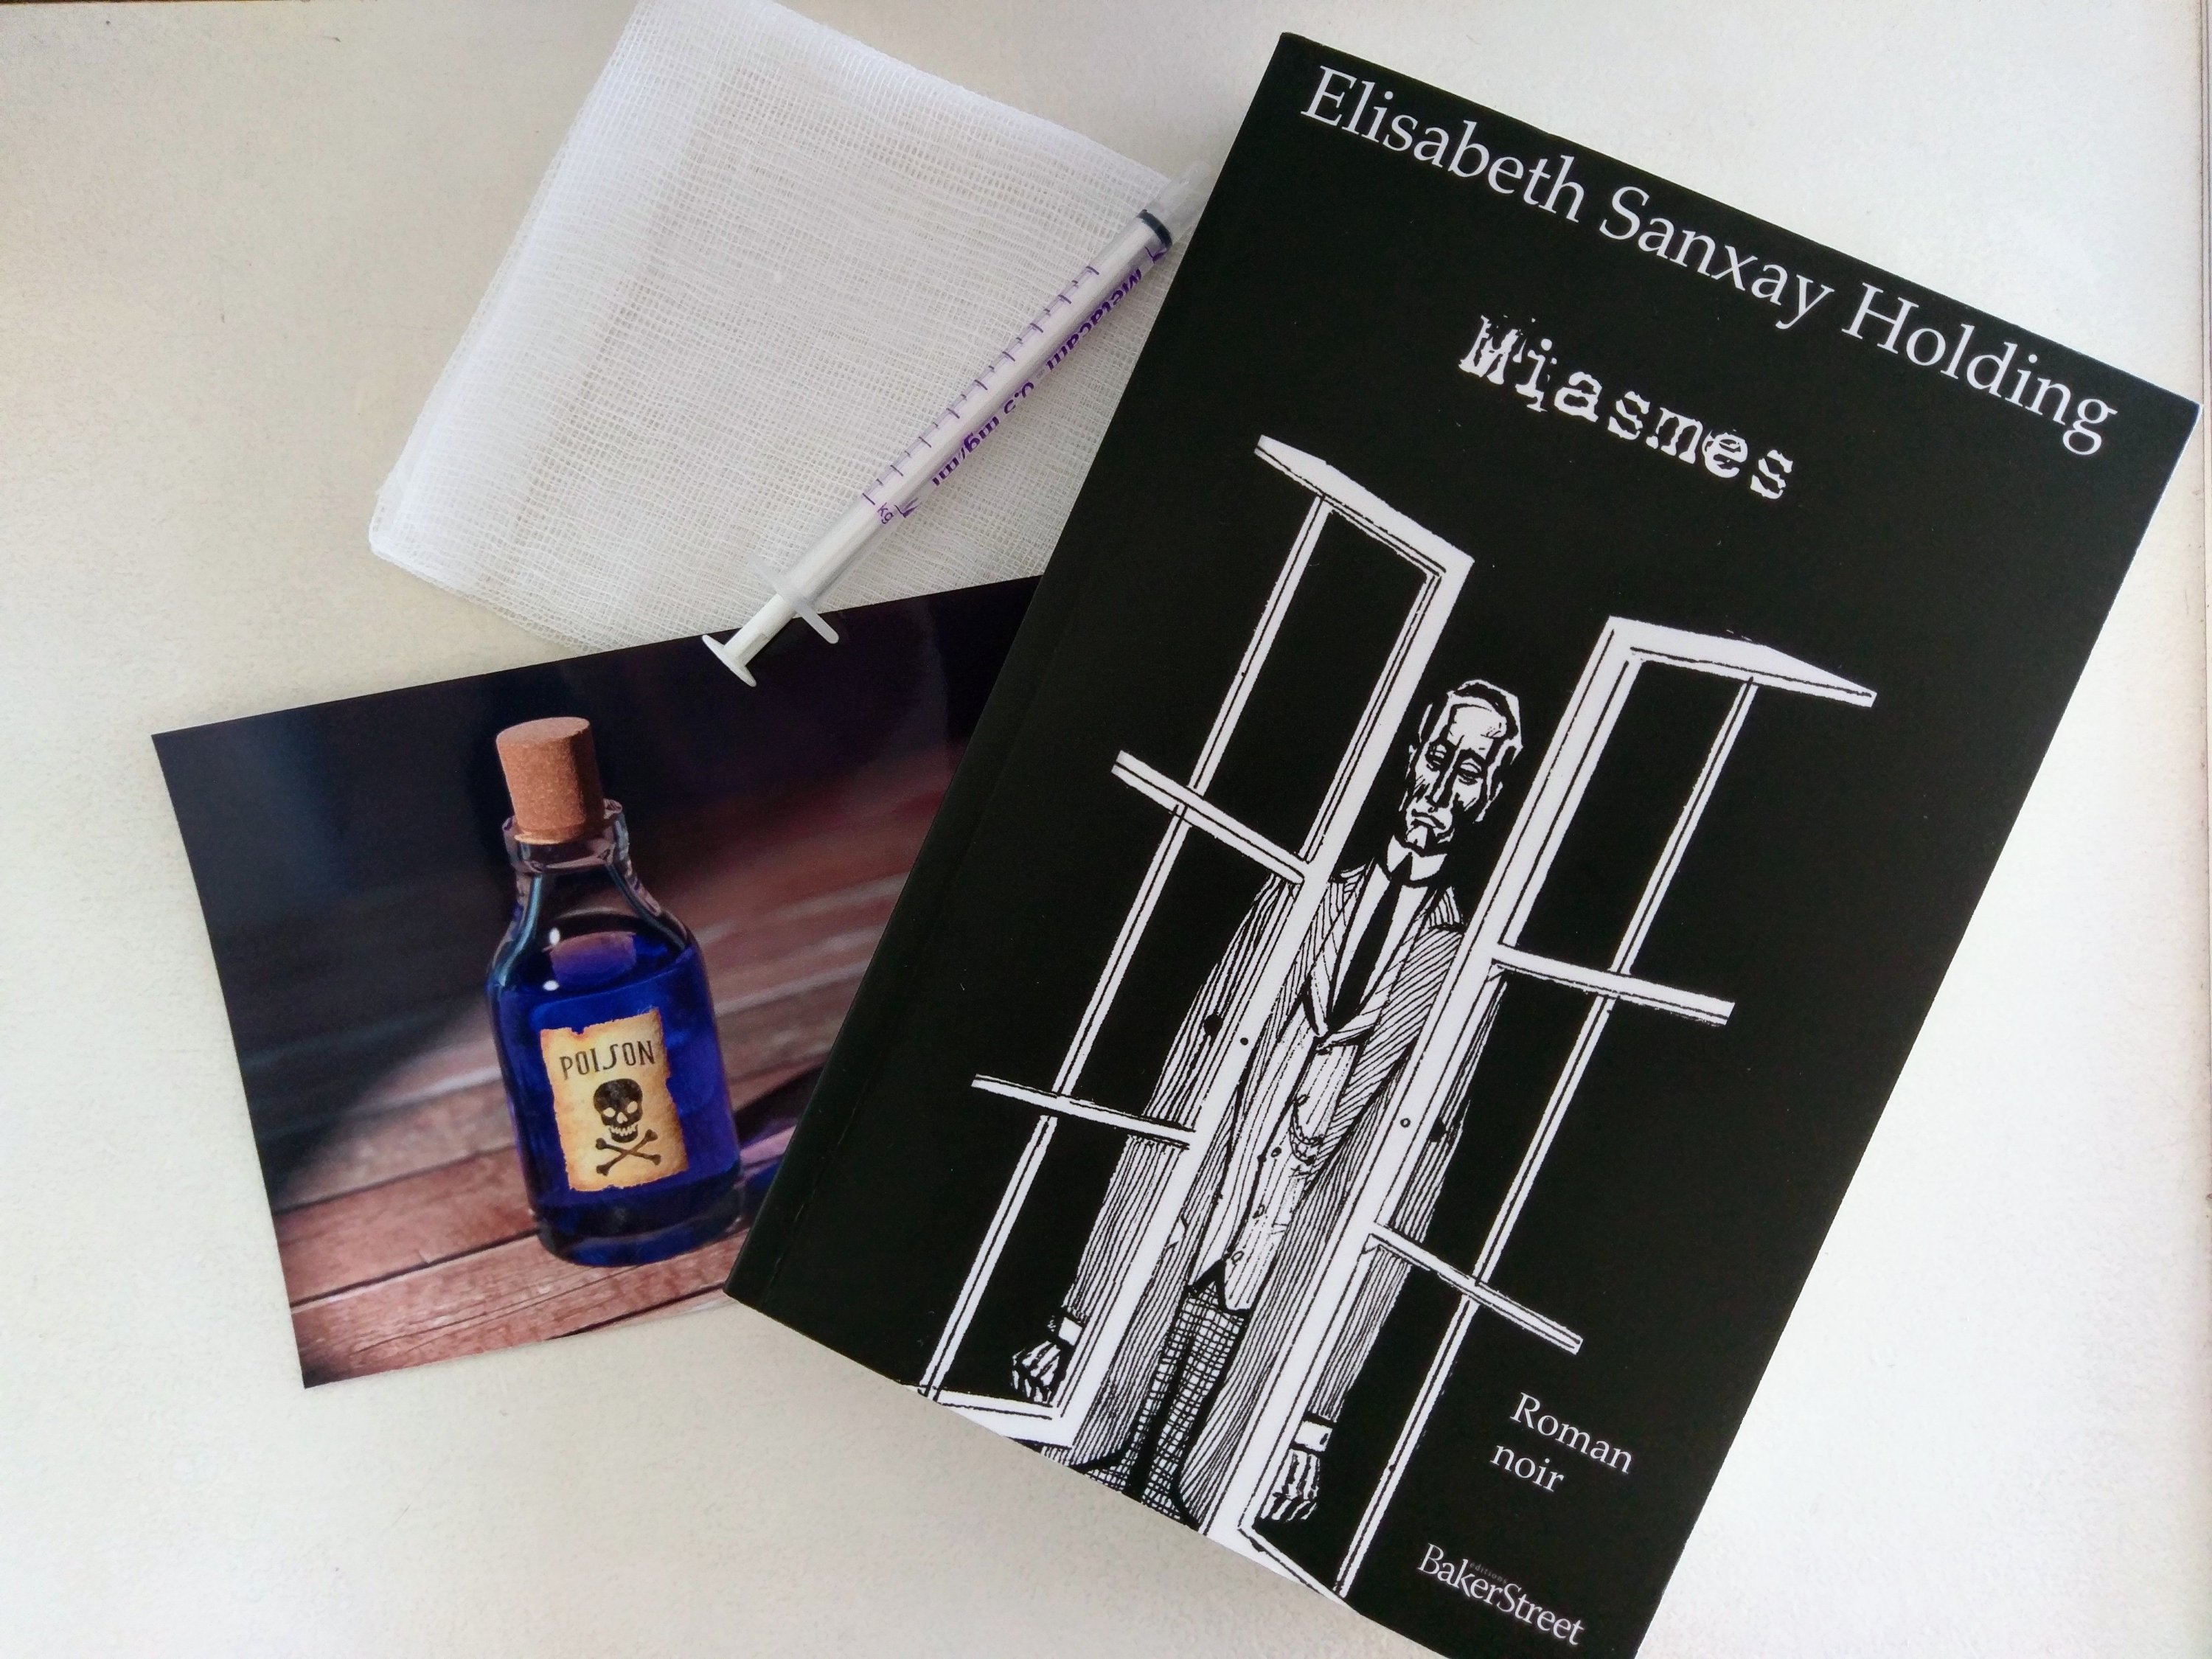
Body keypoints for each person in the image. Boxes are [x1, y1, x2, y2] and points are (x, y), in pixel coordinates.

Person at [1011, 677, 1524, 1526]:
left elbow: (1407, 1204)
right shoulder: (1295, 898)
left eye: (1469, 771)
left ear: (1489, 796)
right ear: (1410, 755)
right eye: (1438, 755)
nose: (1441, 785)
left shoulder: (1467, 975)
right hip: (1168, 1265)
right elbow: (1174, 1105)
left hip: (1273, 1316)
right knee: (1060, 1506)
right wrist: (1077, 1321)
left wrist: (1313, 1421)